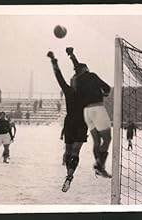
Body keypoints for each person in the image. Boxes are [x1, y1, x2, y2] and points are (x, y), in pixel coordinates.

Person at [66, 47, 112, 178]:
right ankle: (99, 165)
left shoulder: (76, 81)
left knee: (97, 141)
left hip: (86, 113)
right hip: (97, 109)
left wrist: (72, 56)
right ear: (86, 69)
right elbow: (107, 88)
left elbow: (78, 67)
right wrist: (105, 94)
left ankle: (99, 167)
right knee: (107, 139)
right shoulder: (92, 76)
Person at [47, 51, 88, 192]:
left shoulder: (74, 90)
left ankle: (69, 176)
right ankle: (69, 175)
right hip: (77, 123)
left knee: (72, 152)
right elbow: (62, 75)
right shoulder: (78, 91)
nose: (73, 79)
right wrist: (69, 57)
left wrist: (56, 61)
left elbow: (63, 75)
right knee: (71, 152)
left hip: (75, 122)